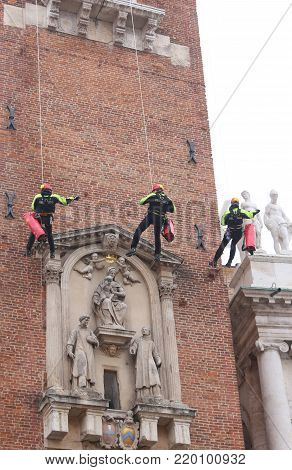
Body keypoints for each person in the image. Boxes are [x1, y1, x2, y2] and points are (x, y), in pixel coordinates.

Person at [26, 183, 79, 258]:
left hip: (38, 217)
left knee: (33, 233)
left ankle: (28, 250)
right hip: (48, 217)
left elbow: (33, 207)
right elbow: (65, 201)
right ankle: (52, 252)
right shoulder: (54, 197)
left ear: (43, 189)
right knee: (50, 234)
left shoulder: (38, 196)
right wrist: (73, 198)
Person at [126, 183, 175, 261]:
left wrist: (151, 195)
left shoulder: (153, 195)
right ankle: (157, 255)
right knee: (157, 236)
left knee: (139, 230)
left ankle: (133, 248)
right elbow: (173, 210)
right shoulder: (168, 199)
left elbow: (141, 202)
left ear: (155, 190)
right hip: (160, 219)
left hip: (151, 216)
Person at [210, 197, 260, 268]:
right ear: (238, 204)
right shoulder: (241, 211)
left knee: (223, 245)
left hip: (229, 232)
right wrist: (255, 211)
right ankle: (229, 263)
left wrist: (229, 220)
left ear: (232, 203)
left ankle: (214, 261)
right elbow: (250, 215)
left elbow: (223, 223)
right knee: (233, 245)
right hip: (238, 232)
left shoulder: (227, 212)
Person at [129, 327, 162, 402]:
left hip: (150, 363)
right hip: (141, 362)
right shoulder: (138, 340)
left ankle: (156, 393)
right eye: (143, 329)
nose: (143, 330)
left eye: (145, 329)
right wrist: (133, 349)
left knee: (154, 377)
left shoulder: (151, 343)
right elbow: (134, 346)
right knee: (143, 378)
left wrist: (158, 360)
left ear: (149, 332)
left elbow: (155, 354)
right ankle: (144, 394)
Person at [66, 315, 99, 391]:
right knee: (81, 365)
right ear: (81, 320)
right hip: (80, 350)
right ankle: (81, 385)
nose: (87, 322)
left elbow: (96, 342)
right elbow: (71, 342)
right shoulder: (76, 330)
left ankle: (87, 386)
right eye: (85, 320)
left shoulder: (89, 331)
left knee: (88, 368)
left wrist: (93, 340)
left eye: (88, 320)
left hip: (89, 351)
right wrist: (70, 351)